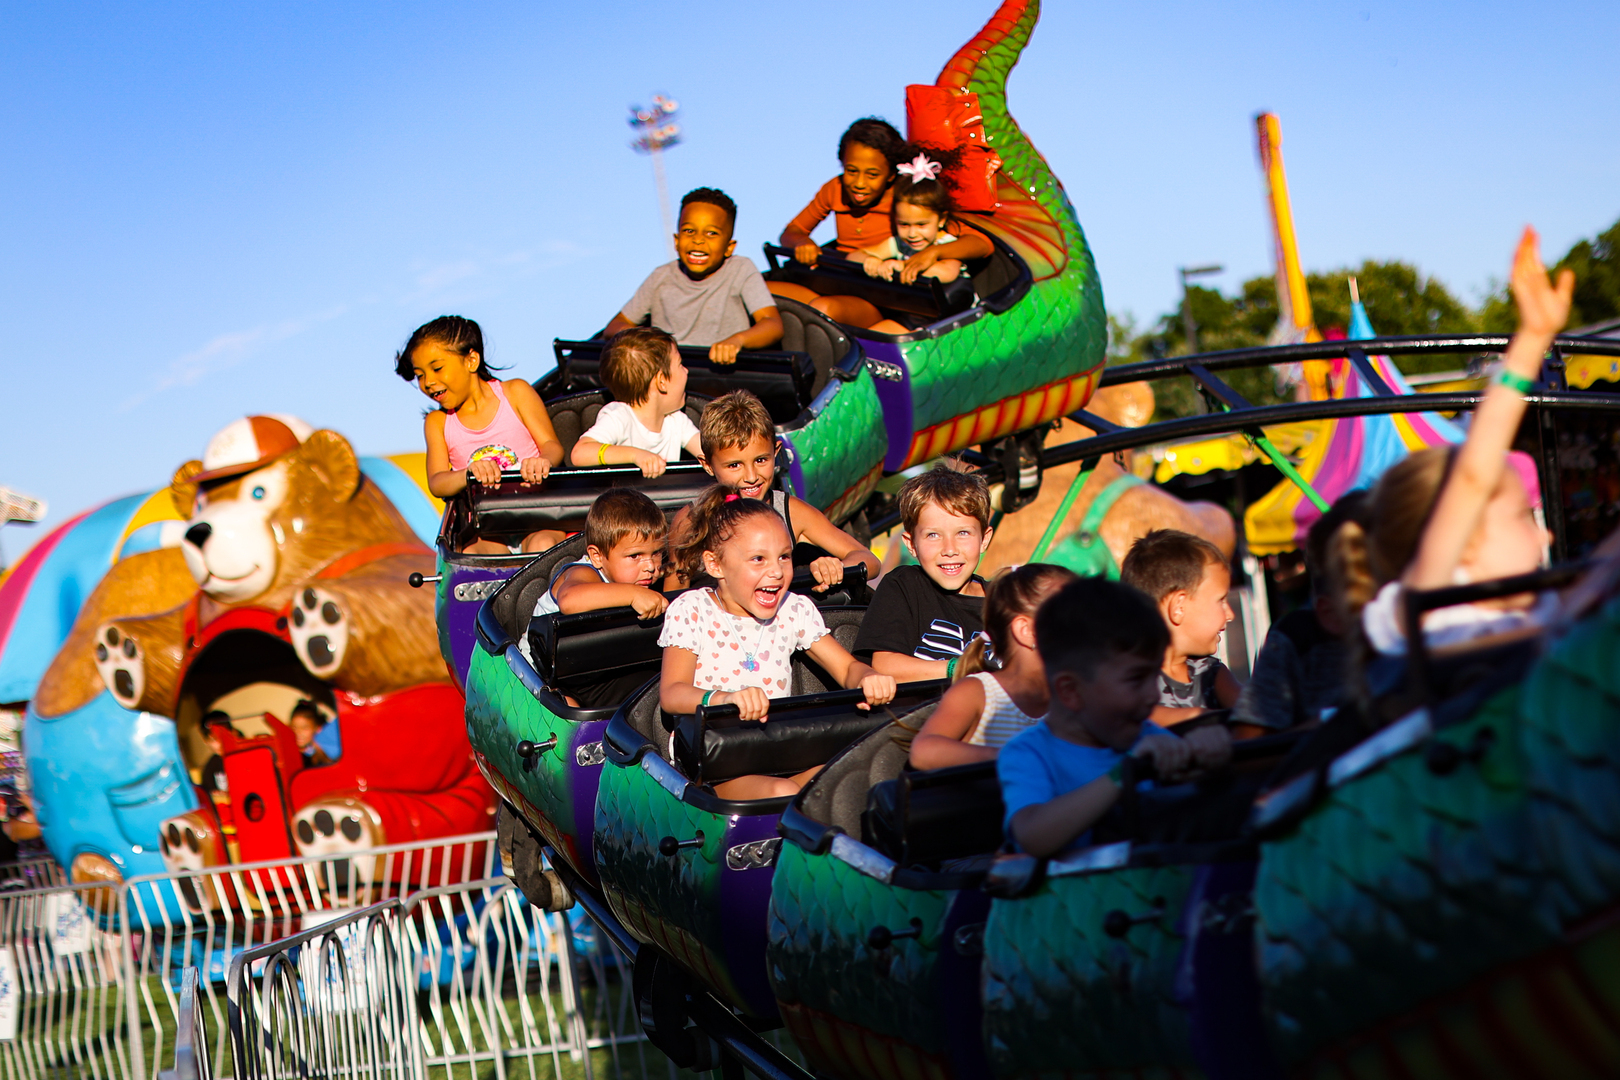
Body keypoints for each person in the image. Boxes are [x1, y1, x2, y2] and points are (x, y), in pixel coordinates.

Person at [1330, 227, 1571, 671]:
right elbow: (1473, 477)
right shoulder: (1433, 607)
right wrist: (1531, 343)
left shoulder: (1542, 607)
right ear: (1463, 544)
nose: (1546, 535)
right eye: (1523, 517)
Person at [658, 497, 896, 800]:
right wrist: (726, 700)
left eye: (784, 557)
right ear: (715, 564)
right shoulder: (693, 610)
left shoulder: (793, 609)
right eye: (759, 559)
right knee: (784, 792)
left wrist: (868, 679)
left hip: (777, 751)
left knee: (860, 776)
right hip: (714, 762)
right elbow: (671, 693)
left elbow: (846, 667)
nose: (777, 572)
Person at [999, 577, 1232, 858]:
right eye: (1136, 680)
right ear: (1071, 691)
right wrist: (1124, 774)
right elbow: (1033, 836)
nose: (1153, 696)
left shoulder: (1147, 736)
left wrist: (1210, 763)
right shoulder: (1029, 754)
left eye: (1154, 677)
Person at [668, 391, 879, 590]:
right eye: (735, 465)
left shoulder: (792, 512)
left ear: (776, 452)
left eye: (761, 460)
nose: (751, 476)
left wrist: (836, 569)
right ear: (707, 465)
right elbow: (673, 600)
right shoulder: (690, 520)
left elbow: (867, 559)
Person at [395, 315, 566, 554]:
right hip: (485, 529)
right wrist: (469, 473)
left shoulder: (516, 393)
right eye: (420, 375)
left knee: (542, 545)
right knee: (474, 556)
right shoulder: (438, 422)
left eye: (437, 369)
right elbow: (437, 482)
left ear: (471, 361)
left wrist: (542, 462)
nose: (428, 383)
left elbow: (552, 445)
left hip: (537, 517)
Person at [908, 564, 1077, 770]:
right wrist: (1010, 756)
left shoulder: (1073, 698)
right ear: (1026, 631)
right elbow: (923, 752)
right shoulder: (978, 692)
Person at [1233, 492, 1371, 732]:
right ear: (1331, 613)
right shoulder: (1297, 640)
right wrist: (1334, 724)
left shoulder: (1428, 630)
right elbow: (1250, 744)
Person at [603, 187, 784, 363]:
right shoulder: (661, 276)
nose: (698, 240)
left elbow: (772, 324)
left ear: (729, 247)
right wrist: (646, 341)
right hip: (667, 377)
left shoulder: (740, 269)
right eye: (689, 231)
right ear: (676, 240)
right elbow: (616, 325)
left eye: (711, 233)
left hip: (721, 377)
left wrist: (737, 341)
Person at [816, 156, 993, 332]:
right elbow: (854, 256)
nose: (912, 233)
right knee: (870, 337)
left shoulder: (946, 242)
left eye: (921, 225)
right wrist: (872, 262)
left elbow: (946, 272)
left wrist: (900, 266)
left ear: (941, 220)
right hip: (914, 314)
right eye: (904, 225)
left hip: (953, 319)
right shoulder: (900, 244)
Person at [855, 467, 994, 681]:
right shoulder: (903, 586)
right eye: (933, 535)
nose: (949, 549)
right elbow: (885, 665)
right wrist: (958, 669)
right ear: (911, 545)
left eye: (963, 533)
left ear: (984, 539)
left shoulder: (1004, 601)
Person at [770, 118, 910, 307]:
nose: (859, 183)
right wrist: (803, 243)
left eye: (872, 175)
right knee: (760, 294)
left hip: (878, 293)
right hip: (837, 279)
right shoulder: (834, 189)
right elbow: (791, 231)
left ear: (891, 175)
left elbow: (952, 235)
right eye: (851, 171)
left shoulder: (905, 198)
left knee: (823, 308)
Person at [1119, 529, 1243, 726]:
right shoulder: (1127, 677)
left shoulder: (1210, 673)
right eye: (1221, 600)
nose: (1230, 614)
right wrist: (1207, 719)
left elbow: (1249, 712)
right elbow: (1142, 717)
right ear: (1178, 607)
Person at [570, 327, 703, 476]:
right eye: (680, 364)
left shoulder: (677, 421)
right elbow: (580, 453)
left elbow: (710, 453)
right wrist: (635, 455)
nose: (686, 371)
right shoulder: (619, 416)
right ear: (662, 382)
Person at [198, 710, 233, 802]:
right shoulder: (211, 767)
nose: (220, 743)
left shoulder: (247, 757)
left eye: (223, 736)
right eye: (213, 739)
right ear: (206, 741)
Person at [288, 699, 333, 768]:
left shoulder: (322, 757)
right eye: (294, 728)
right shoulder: (287, 754)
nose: (298, 733)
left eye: (305, 728)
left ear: (317, 728)